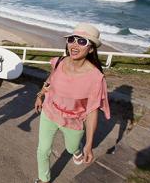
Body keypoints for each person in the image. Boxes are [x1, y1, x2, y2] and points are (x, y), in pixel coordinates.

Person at [33, 23, 111, 183]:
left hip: (73, 121)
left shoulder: (95, 78)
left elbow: (92, 112)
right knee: (43, 150)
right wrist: (40, 95)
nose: (75, 45)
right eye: (72, 39)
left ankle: (77, 150)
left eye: (82, 41)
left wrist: (88, 145)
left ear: (91, 49)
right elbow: (50, 80)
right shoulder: (60, 61)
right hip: (50, 111)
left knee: (71, 148)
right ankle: (43, 179)